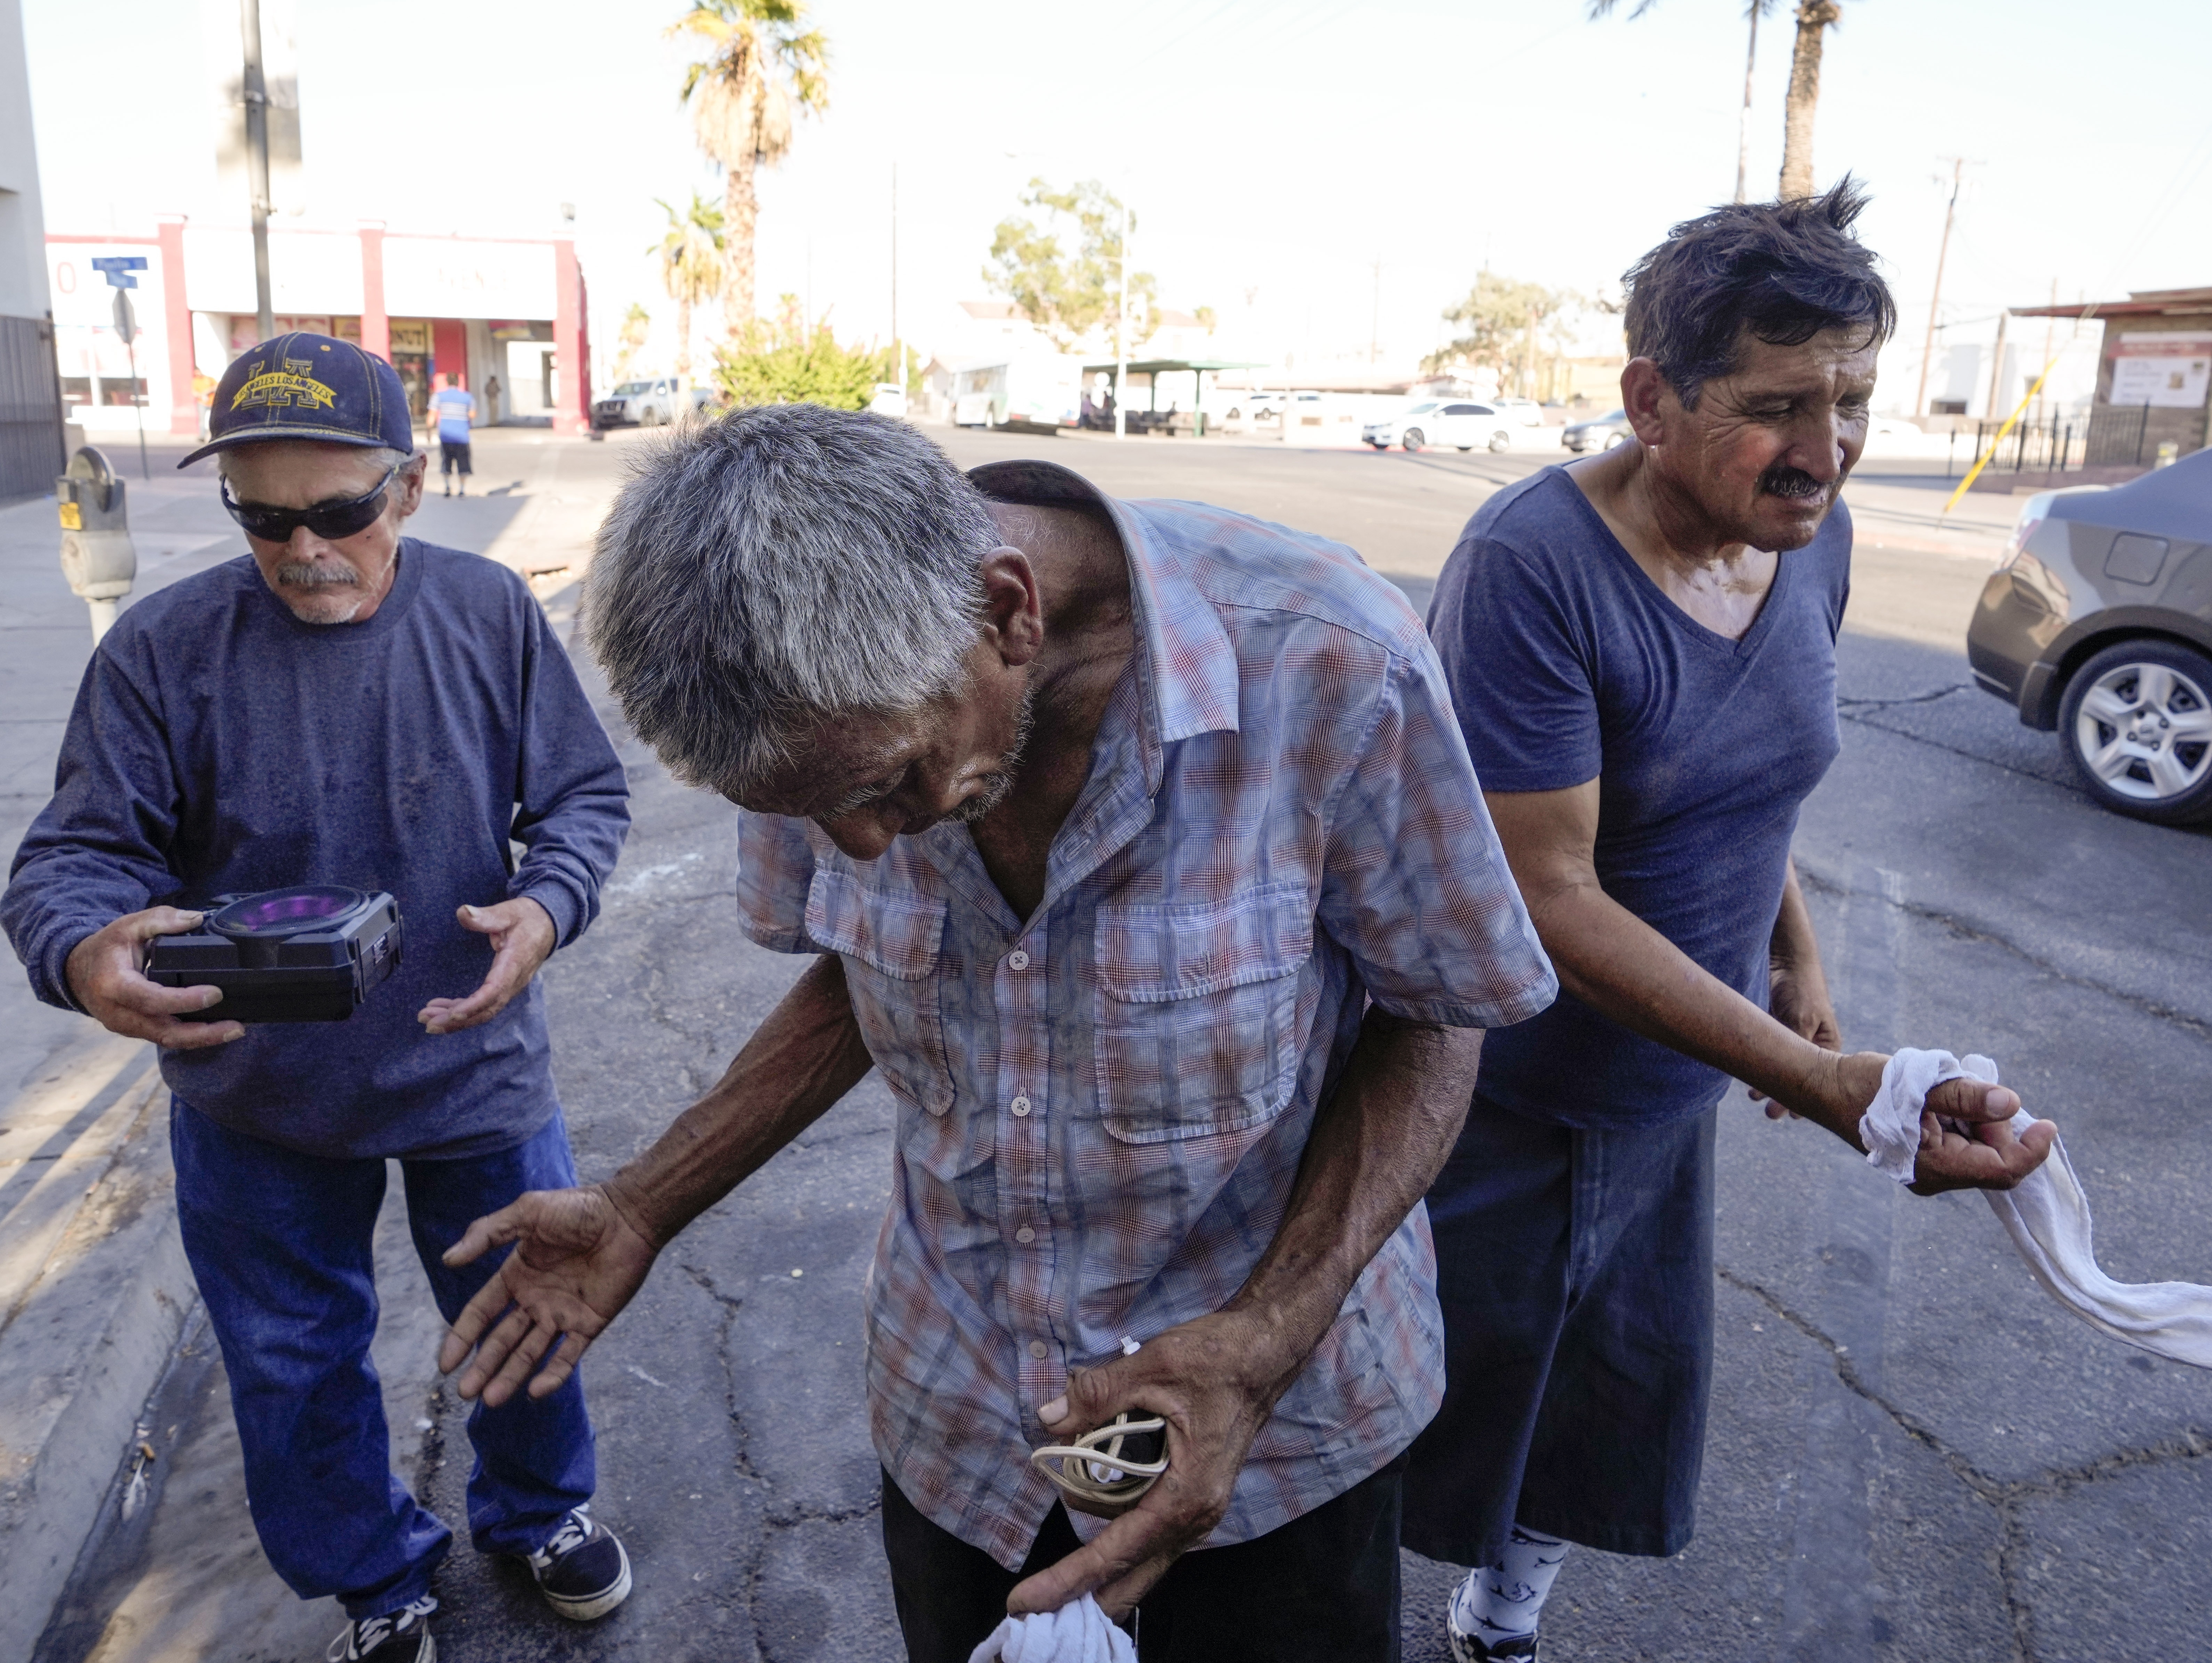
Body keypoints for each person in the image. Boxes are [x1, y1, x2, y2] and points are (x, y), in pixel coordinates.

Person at [435, 408, 1556, 1662]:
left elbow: (1437, 1006)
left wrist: (1266, 1337)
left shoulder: (1324, 658)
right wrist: (646, 1201)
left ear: (1009, 610)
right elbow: (858, 978)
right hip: (963, 1417)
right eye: (814, 809)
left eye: (885, 784)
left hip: (1268, 1438)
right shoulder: (811, 716)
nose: (860, 844)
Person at [1398, 183, 2056, 1663]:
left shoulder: (1804, 537)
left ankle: (1501, 1615)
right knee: (1425, 1397)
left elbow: (1744, 777)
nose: (1823, 452)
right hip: (1499, 1096)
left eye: (1852, 399)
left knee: (1608, 1387)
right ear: (1650, 397)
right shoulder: (1531, 573)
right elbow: (1545, 894)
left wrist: (1794, 956)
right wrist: (1812, 1076)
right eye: (1775, 405)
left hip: (1667, 1081)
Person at [0, 331, 637, 1663]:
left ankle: (536, 1512)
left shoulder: (487, 613)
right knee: (291, 1354)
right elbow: (74, 855)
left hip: (471, 1060)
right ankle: (373, 1572)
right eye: (264, 518)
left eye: (339, 512)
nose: (303, 551)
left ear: (405, 488)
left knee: (525, 1302)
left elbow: (581, 794)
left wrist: (549, 902)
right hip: (256, 1088)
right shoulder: (165, 649)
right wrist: (83, 953)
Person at [430, 371, 478, 496]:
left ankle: (447, 487)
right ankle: (462, 489)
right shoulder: (468, 397)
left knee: (446, 463)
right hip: (462, 437)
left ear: (447, 382)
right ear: (458, 382)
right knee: (463, 464)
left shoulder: (439, 396)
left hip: (446, 436)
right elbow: (472, 414)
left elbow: (432, 415)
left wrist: (429, 431)